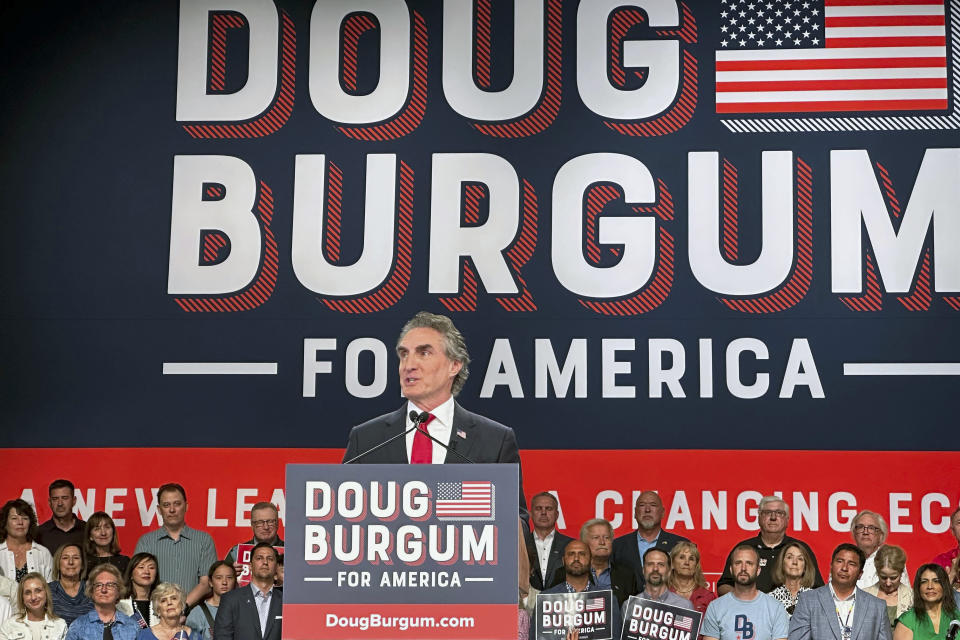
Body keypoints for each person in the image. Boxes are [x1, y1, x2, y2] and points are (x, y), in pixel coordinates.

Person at [342, 311, 528, 522]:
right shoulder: (366, 439)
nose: (408, 364)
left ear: (454, 365)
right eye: (404, 354)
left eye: (424, 353)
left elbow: (517, 521)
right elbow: (343, 513)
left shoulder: (495, 440)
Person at [717, 496, 823, 595]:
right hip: (752, 612)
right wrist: (747, 601)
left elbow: (818, 589)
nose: (773, 517)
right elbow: (724, 586)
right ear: (759, 518)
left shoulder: (799, 549)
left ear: (787, 520)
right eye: (767, 513)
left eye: (779, 513)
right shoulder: (745, 548)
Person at [134, 484, 217, 608]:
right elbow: (138, 583)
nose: (172, 510)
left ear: (186, 506)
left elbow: (206, 584)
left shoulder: (204, 540)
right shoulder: (146, 542)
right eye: (166, 505)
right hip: (156, 616)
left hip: (192, 616)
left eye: (177, 504)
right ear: (159, 509)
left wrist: (181, 608)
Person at [788, 543, 891, 640]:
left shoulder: (877, 606)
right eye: (840, 561)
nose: (844, 568)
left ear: (860, 574)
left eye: (851, 564)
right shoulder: (808, 600)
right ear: (831, 566)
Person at [537, 540, 622, 640]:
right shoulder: (545, 600)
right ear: (563, 561)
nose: (576, 558)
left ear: (591, 561)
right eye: (571, 554)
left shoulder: (608, 600)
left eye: (582, 554)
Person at [702, 546, 790, 640]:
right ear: (731, 570)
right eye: (738, 563)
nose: (743, 568)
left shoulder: (775, 608)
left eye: (749, 563)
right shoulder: (715, 607)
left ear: (758, 570)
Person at [612, 491, 689, 591]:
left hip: (669, 605)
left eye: (653, 505)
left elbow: (691, 582)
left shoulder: (680, 545)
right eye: (642, 505)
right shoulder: (616, 546)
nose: (647, 510)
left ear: (663, 512)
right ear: (635, 512)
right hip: (627, 605)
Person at [213, 543, 282, 640]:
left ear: (276, 567)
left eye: (270, 559)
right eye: (259, 558)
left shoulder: (285, 600)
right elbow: (222, 637)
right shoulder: (230, 599)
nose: (265, 562)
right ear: (250, 565)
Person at [65, 564, 138, 640]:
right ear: (91, 591)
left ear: (118, 591)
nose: (104, 590)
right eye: (98, 585)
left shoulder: (132, 626)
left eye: (110, 585)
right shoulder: (78, 625)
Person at [580, 518, 637, 607]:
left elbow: (631, 612)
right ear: (584, 543)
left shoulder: (627, 576)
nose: (602, 542)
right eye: (596, 537)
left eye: (606, 537)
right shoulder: (568, 574)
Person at [893, 564, 959, 640]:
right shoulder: (907, 621)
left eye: (936, 581)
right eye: (924, 581)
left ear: (944, 586)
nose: (930, 586)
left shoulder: (956, 618)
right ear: (918, 587)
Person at [525, 492, 573, 591]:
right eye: (538, 508)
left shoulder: (571, 545)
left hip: (562, 602)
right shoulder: (520, 545)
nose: (543, 512)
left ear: (557, 514)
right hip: (525, 604)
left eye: (549, 508)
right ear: (530, 514)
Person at [0, 572, 67, 640]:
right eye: (28, 593)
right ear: (22, 597)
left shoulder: (60, 626)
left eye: (38, 591)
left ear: (46, 593)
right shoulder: (9, 626)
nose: (33, 597)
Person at [853, 511, 910, 590]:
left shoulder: (893, 558)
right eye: (860, 527)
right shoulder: (844, 558)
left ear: (881, 535)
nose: (865, 532)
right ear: (854, 533)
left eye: (871, 528)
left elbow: (904, 595)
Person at [223, 503, 283, 577]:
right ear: (252, 525)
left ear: (277, 523)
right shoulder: (236, 553)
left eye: (270, 522)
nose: (266, 527)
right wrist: (229, 576)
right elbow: (221, 583)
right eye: (260, 522)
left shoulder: (291, 552)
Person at [0, 499, 53, 582]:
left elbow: (51, 589)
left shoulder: (43, 553)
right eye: (14, 518)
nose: (20, 522)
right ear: (4, 522)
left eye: (25, 518)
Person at [864, 545, 913, 627]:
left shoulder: (911, 597)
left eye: (893, 578)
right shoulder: (864, 595)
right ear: (877, 572)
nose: (888, 583)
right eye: (883, 577)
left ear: (901, 573)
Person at [186, 562, 237, 640]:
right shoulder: (198, 613)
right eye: (219, 578)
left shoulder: (243, 610)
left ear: (235, 581)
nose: (224, 582)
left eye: (229, 577)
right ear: (210, 582)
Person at [36, 481, 85, 555]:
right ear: (49, 502)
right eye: (55, 499)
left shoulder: (87, 530)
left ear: (74, 501)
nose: (60, 503)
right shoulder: (39, 533)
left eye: (65, 498)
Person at [668, 541, 716, 615]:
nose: (686, 562)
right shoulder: (662, 594)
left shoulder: (708, 597)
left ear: (696, 566)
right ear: (672, 564)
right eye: (682, 557)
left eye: (691, 559)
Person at [48, 544, 93, 624]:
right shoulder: (47, 590)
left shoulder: (92, 590)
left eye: (76, 558)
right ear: (58, 563)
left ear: (82, 564)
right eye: (65, 558)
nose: (71, 562)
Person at [769, 543, 816, 616]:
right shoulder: (770, 599)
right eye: (789, 557)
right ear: (782, 563)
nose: (794, 562)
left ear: (805, 567)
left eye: (800, 559)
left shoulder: (816, 599)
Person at [117, 553, 160, 627]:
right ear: (131, 574)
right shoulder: (119, 603)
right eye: (141, 567)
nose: (147, 572)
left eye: (151, 568)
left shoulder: (161, 602)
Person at [84, 513, 129, 577]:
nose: (103, 533)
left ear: (113, 532)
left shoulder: (125, 562)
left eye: (107, 527)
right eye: (97, 529)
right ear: (90, 536)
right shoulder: (83, 562)